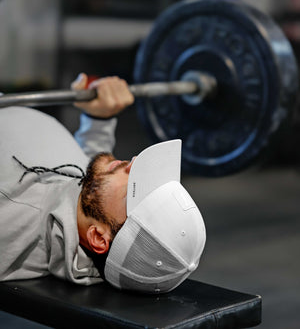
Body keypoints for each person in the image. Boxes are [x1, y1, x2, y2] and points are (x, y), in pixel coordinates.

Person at [0, 73, 206, 293]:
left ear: (98, 237)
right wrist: (99, 119)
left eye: (134, 187)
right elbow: (86, 172)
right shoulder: (83, 200)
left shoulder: (13, 216)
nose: (133, 163)